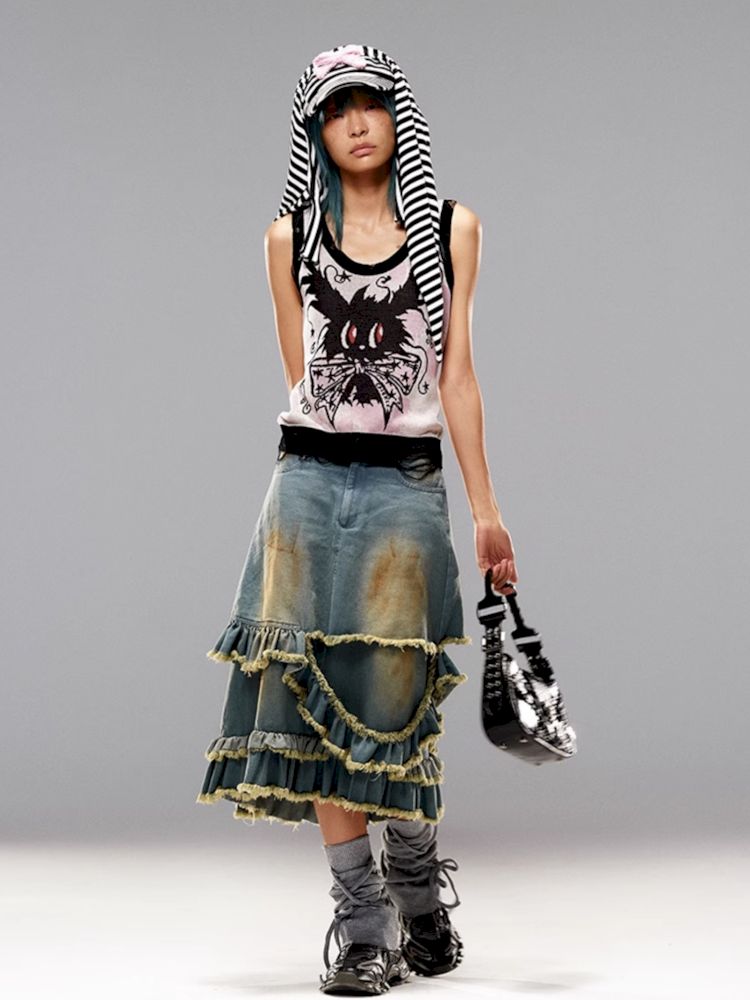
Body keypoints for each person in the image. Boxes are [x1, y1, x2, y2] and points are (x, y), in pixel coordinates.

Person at [197, 42, 518, 995]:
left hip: (403, 486)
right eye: (337, 110)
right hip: (304, 486)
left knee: (391, 700)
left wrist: (487, 509)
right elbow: (302, 378)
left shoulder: (451, 228)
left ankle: (415, 884)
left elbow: (456, 377)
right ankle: (365, 922)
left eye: (371, 102)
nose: (358, 122)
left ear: (396, 114)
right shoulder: (285, 239)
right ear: (317, 131)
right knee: (309, 698)